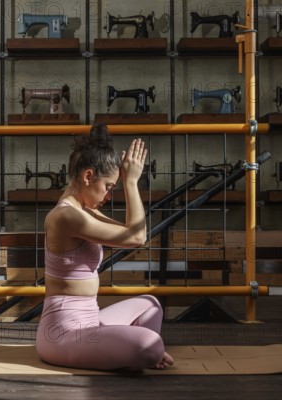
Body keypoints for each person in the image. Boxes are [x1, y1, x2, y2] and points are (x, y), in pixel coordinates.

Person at [36, 123, 174, 371]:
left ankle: (134, 351)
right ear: (88, 176)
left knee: (150, 304)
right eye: (109, 186)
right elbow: (136, 237)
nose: (109, 196)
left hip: (91, 324)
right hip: (64, 335)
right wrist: (131, 183)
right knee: (151, 345)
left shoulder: (84, 212)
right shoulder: (66, 217)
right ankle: (141, 351)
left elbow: (130, 231)